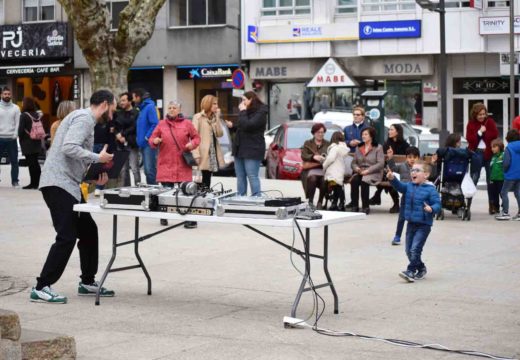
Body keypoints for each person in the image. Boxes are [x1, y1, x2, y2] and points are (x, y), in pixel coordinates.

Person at [30, 90, 116, 304]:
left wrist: (93, 178)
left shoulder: (84, 119)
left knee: (88, 230)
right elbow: (69, 147)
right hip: (58, 183)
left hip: (69, 185)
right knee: (66, 235)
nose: (112, 116)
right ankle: (41, 287)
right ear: (105, 105)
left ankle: (87, 281)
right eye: (112, 110)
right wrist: (98, 157)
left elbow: (72, 156)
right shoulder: (84, 118)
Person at [149, 101, 200, 228]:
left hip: (183, 164)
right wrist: (155, 140)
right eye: (170, 108)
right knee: (166, 191)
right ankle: (164, 215)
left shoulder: (187, 123)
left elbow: (196, 138)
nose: (171, 110)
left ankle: (189, 218)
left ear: (179, 109)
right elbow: (151, 139)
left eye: (174, 108)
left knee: (186, 193)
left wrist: (192, 144)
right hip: (166, 163)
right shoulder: (161, 124)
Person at [387, 161, 441, 282]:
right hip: (411, 223)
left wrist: (432, 209)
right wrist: (392, 178)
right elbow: (399, 186)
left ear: (426, 175)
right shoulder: (409, 186)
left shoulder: (431, 190)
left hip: (424, 225)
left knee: (415, 249)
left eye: (417, 170)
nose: (413, 172)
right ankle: (421, 268)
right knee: (408, 251)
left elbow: (438, 204)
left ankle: (410, 271)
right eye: (412, 170)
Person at [225, 91, 267, 197]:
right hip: (240, 147)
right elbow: (243, 126)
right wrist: (233, 126)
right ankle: (240, 197)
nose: (242, 103)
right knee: (240, 175)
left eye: (244, 100)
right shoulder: (246, 111)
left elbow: (250, 125)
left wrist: (243, 111)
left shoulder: (261, 112)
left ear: (251, 99)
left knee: (252, 175)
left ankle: (256, 198)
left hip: (253, 148)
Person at [465, 103, 499, 214]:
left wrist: (484, 133)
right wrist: (479, 132)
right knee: (474, 178)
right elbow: (471, 140)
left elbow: (494, 135)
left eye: (484, 114)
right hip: (476, 154)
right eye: (480, 114)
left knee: (491, 180)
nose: (482, 116)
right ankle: (468, 205)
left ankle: (492, 205)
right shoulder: (471, 124)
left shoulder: (490, 122)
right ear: (475, 114)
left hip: (489, 153)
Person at [370, 123, 410, 212]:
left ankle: (378, 195)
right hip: (388, 169)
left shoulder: (405, 145)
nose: (389, 131)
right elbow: (382, 159)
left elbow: (405, 162)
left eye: (391, 130)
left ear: (398, 132)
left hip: (400, 171)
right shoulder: (387, 144)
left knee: (390, 176)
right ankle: (392, 202)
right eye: (389, 129)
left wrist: (391, 158)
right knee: (385, 174)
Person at [347, 127, 384, 214]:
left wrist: (368, 171)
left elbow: (380, 163)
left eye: (366, 134)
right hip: (361, 172)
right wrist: (356, 168)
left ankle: (365, 206)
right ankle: (355, 206)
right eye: (362, 134)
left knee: (364, 181)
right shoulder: (359, 147)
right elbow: (353, 163)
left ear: (371, 136)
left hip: (374, 172)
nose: (363, 136)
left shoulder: (378, 147)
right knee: (354, 181)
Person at [387, 146, 420, 245]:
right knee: (401, 218)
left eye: (414, 157)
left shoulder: (420, 168)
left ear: (418, 158)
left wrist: (432, 163)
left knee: (415, 218)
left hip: (418, 197)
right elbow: (392, 168)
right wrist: (390, 158)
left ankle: (415, 236)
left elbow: (429, 174)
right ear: (406, 158)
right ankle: (397, 236)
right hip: (406, 195)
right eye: (410, 157)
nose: (412, 159)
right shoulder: (402, 166)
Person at [191, 95, 225, 190]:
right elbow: (194, 137)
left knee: (207, 180)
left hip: (212, 154)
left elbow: (219, 134)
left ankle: (205, 200)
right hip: (202, 154)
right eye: (214, 103)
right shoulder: (198, 117)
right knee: (199, 181)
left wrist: (218, 118)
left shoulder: (214, 117)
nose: (216, 106)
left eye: (217, 103)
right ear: (208, 104)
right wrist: (196, 154)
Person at [300, 123, 330, 209]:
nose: (320, 134)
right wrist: (313, 157)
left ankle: (320, 201)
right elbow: (303, 155)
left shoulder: (328, 144)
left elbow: (331, 156)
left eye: (322, 132)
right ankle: (310, 201)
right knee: (312, 178)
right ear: (313, 133)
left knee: (325, 180)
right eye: (318, 132)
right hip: (310, 168)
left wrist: (324, 159)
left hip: (323, 169)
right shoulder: (308, 143)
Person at [133, 88, 159, 185]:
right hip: (143, 144)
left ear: (139, 97)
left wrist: (147, 137)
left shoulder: (150, 107)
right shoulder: (142, 108)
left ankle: (154, 193)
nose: (133, 100)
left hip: (148, 144)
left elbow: (155, 123)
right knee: (147, 171)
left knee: (149, 170)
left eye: (134, 97)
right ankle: (152, 192)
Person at [114, 92, 140, 186]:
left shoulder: (136, 112)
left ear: (129, 101)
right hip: (120, 144)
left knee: (134, 168)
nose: (121, 102)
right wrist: (117, 134)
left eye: (124, 100)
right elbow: (114, 125)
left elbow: (134, 126)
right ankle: (126, 190)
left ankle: (138, 189)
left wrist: (123, 134)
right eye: (121, 101)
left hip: (132, 143)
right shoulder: (118, 113)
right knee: (123, 169)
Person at [18, 97, 44, 189]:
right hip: (37, 141)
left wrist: (20, 138)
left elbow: (20, 130)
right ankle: (38, 182)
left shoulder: (24, 115)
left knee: (31, 163)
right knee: (35, 163)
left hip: (27, 142)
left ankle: (33, 183)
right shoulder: (36, 114)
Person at [496, 129, 520, 221]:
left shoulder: (509, 148)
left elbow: (506, 163)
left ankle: (505, 213)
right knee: (518, 193)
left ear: (508, 138)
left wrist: (504, 170)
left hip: (510, 174)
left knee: (504, 192)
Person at [322, 131, 349, 211]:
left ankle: (334, 203)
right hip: (340, 171)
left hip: (332, 172)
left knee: (332, 185)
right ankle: (340, 203)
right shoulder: (343, 148)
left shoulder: (334, 148)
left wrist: (323, 166)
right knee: (339, 187)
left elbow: (330, 159)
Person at [0, 87, 21, 187]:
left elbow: (18, 122)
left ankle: (15, 181)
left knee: (14, 161)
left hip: (11, 138)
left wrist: (15, 134)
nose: (7, 95)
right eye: (5, 94)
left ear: (10, 95)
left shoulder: (16, 108)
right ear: (1, 95)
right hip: (0, 138)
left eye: (8, 94)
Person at [489, 138, 505, 216]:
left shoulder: (503, 155)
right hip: (493, 179)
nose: (492, 149)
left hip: (501, 179)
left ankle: (505, 207)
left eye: (494, 147)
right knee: (494, 194)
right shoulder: (493, 157)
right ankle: (496, 208)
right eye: (492, 147)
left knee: (502, 194)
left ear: (500, 147)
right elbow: (491, 168)